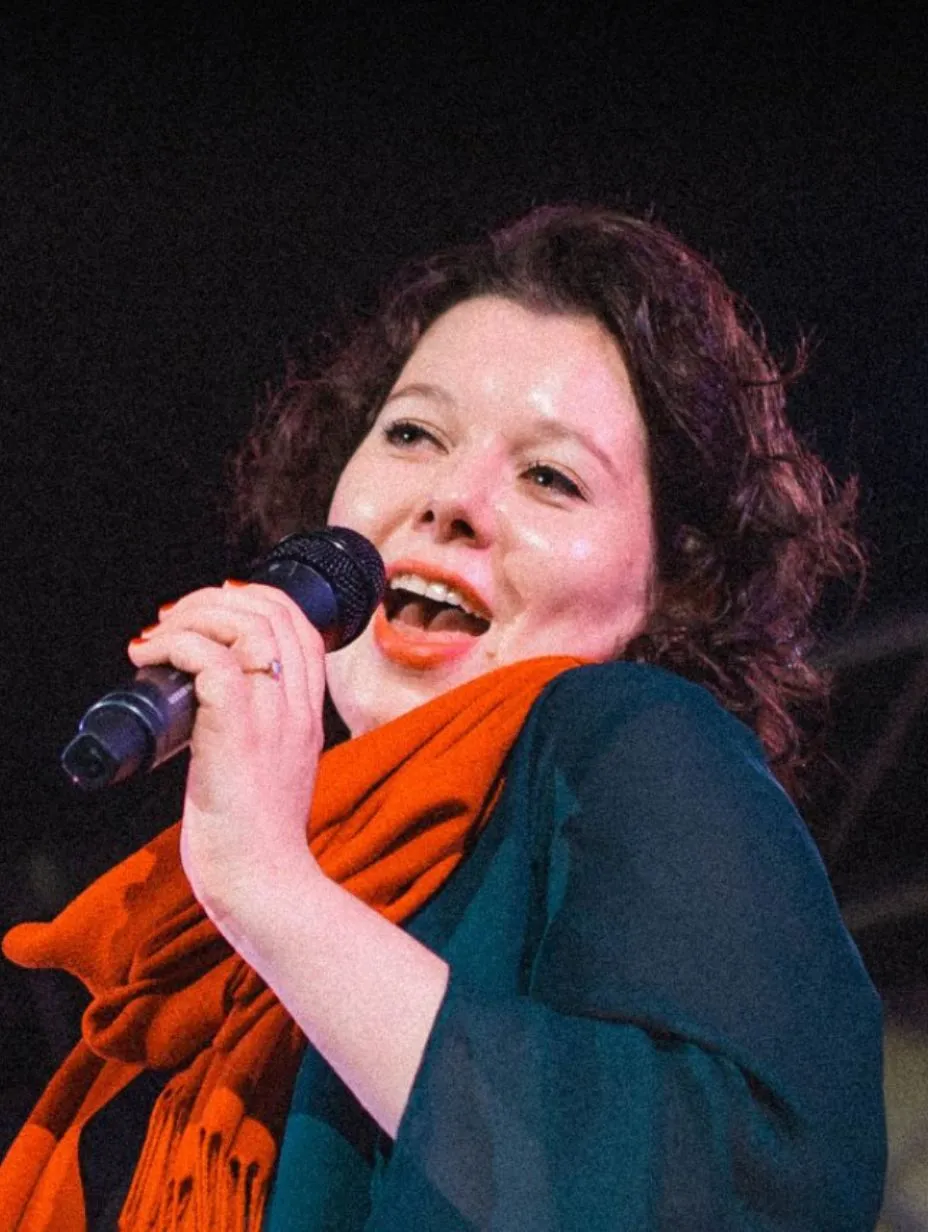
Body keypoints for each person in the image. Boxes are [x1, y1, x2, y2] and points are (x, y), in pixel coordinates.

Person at [1, 205, 885, 1230]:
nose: (451, 498)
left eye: (550, 476)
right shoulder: (219, 943)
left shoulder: (632, 738)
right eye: (412, 432)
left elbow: (740, 1185)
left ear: (673, 585)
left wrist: (274, 891)